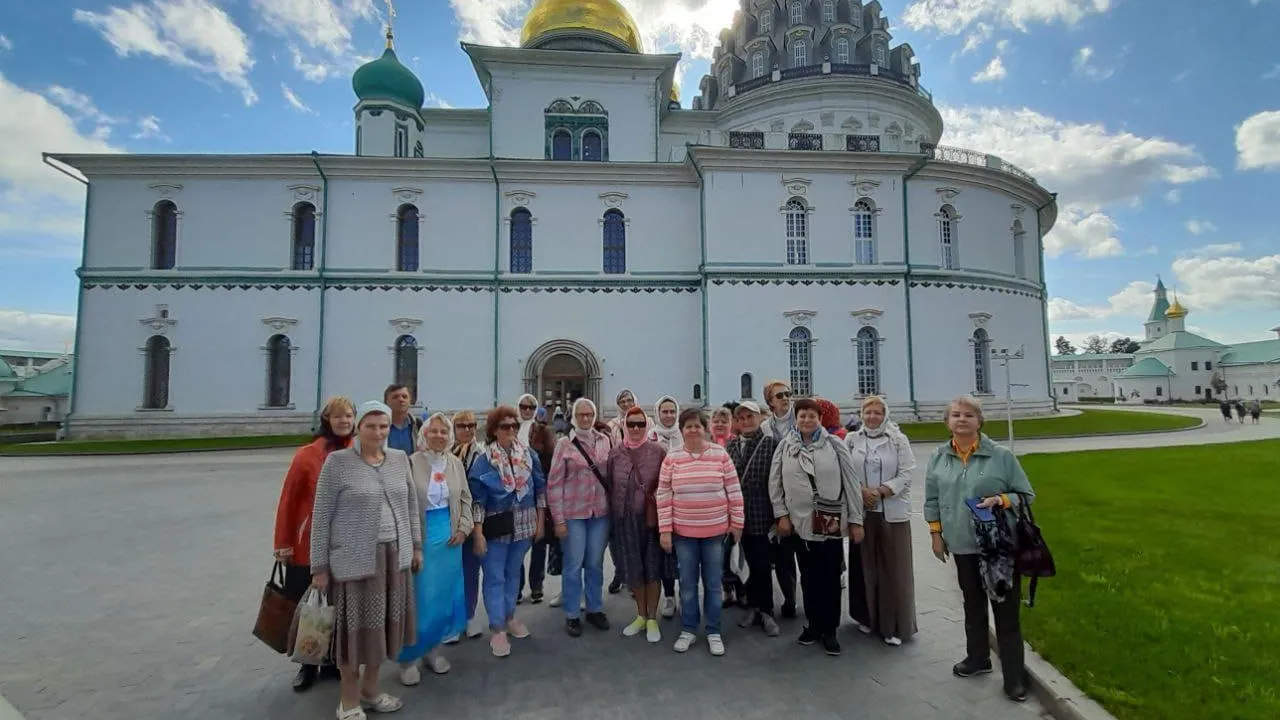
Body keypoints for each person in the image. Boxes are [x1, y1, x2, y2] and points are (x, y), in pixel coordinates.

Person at [310, 400, 422, 719]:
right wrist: (319, 567)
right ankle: (348, 700)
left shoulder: (399, 459)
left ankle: (371, 690)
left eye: (383, 426)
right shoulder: (338, 463)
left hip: (394, 559)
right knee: (354, 635)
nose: (378, 432)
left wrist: (416, 547)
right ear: (358, 427)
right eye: (370, 426)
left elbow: (411, 507)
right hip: (354, 562)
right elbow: (321, 516)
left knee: (383, 630)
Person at [924, 396, 1036, 703]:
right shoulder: (938, 457)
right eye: (956, 415)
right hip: (962, 545)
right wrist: (935, 534)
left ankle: (1014, 678)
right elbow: (932, 499)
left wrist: (1001, 500)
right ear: (947, 422)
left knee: (1006, 612)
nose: (962, 419)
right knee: (972, 606)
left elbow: (1026, 494)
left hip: (999, 548)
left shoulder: (1000, 456)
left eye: (969, 415)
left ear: (979, 421)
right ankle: (977, 658)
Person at [770, 397, 865, 657]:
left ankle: (830, 629)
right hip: (800, 522)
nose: (806, 420)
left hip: (828, 520)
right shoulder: (786, 446)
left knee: (830, 576)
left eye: (812, 415)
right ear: (796, 419)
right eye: (802, 415)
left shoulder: (834, 444)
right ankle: (813, 625)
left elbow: (851, 482)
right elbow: (775, 482)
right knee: (808, 575)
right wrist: (781, 515)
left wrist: (856, 520)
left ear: (820, 419)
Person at [272, 396, 354, 692]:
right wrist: (283, 542)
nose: (344, 421)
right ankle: (307, 665)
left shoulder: (357, 451)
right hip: (309, 545)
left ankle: (331, 661)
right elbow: (289, 500)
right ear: (326, 420)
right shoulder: (307, 455)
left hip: (346, 544)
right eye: (338, 416)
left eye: (349, 415)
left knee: (337, 605)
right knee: (310, 607)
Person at [657, 408, 745, 656]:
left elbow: (734, 490)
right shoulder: (672, 457)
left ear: (705, 429)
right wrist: (665, 530)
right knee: (687, 584)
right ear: (682, 430)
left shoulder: (720, 455)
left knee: (714, 584)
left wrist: (737, 523)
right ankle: (689, 629)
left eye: (697, 426)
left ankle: (714, 631)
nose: (693, 430)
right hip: (684, 534)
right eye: (689, 426)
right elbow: (663, 495)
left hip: (715, 533)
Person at [397, 413, 472, 686]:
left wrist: (464, 528)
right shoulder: (409, 463)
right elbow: (402, 504)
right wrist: (411, 543)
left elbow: (465, 498)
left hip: (450, 540)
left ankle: (432, 649)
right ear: (424, 434)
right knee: (419, 599)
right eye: (434, 431)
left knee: (443, 598)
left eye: (444, 431)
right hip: (422, 538)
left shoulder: (454, 463)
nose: (439, 436)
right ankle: (408, 658)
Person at [469, 404, 548, 658]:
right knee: (494, 576)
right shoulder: (484, 460)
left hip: (524, 524)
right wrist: (478, 534)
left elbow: (540, 489)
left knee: (513, 573)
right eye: (505, 426)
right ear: (494, 429)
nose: (511, 430)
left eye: (514, 425)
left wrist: (540, 522)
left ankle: (509, 616)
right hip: (496, 526)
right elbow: (477, 500)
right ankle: (497, 627)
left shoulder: (528, 454)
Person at [846, 396, 918, 646]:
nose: (872, 417)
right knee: (864, 566)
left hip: (892, 513)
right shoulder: (852, 439)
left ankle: (893, 625)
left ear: (885, 415)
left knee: (893, 569)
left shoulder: (897, 440)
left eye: (877, 412)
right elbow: (845, 470)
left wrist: (883, 491)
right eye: (868, 412)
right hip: (862, 512)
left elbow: (907, 472)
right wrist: (861, 491)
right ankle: (866, 617)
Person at [548, 397, 614, 636]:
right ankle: (572, 613)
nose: (586, 418)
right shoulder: (564, 444)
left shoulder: (605, 440)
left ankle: (594, 608)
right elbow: (554, 484)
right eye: (581, 415)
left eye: (589, 414)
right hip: (573, 513)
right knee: (574, 564)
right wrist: (558, 520)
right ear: (573, 417)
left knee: (595, 563)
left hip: (600, 513)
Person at [607, 405, 669, 643]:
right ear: (624, 425)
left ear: (647, 425)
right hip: (625, 519)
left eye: (640, 424)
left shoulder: (658, 451)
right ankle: (640, 615)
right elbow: (611, 484)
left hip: (651, 519)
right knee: (634, 568)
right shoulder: (616, 453)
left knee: (652, 567)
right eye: (631, 424)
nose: (635, 428)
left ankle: (652, 617)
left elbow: (666, 484)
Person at [724, 400, 781, 637]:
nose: (746, 422)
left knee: (762, 565)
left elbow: (777, 481)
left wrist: (779, 516)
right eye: (741, 418)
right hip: (738, 517)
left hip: (761, 514)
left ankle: (766, 610)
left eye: (750, 417)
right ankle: (752, 606)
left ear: (760, 418)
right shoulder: (731, 446)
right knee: (743, 563)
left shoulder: (770, 444)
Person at [759, 380, 799, 616]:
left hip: (802, 494)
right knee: (783, 553)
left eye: (788, 394)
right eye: (780, 395)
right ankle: (790, 599)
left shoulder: (801, 419)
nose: (786, 398)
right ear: (770, 402)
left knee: (807, 552)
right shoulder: (765, 427)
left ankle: (813, 601)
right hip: (778, 494)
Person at [516, 394, 558, 605]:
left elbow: (552, 459)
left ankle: (536, 585)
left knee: (538, 541)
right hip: (514, 495)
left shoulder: (543, 431)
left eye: (531, 407)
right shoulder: (511, 427)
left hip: (537, 491)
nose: (527, 410)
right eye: (523, 406)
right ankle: (516, 586)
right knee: (516, 543)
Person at [449, 409, 487, 642]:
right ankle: (452, 621)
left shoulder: (481, 454)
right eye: (462, 425)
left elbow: (480, 493)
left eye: (471, 425)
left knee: (471, 571)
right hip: (448, 521)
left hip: (473, 520)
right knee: (449, 573)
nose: (467, 430)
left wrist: (476, 527)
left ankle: (470, 615)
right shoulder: (445, 452)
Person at [384, 384, 421, 456]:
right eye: (395, 397)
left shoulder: (418, 425)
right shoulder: (379, 427)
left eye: (404, 396)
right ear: (386, 402)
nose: (401, 399)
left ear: (410, 401)